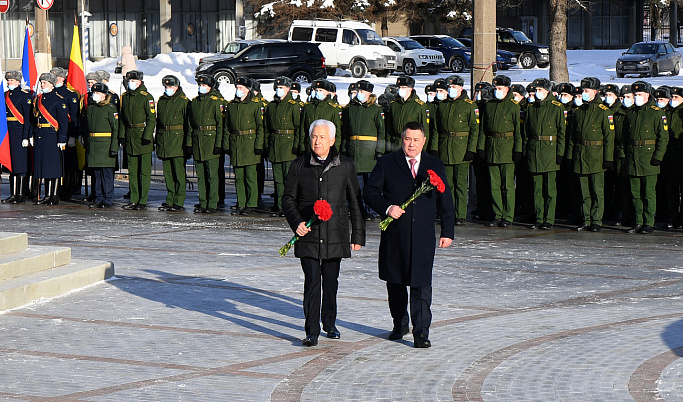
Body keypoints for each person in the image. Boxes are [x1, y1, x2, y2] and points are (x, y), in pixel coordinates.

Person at [363, 121, 454, 349]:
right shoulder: (387, 163)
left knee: (421, 284)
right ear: (401, 139)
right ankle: (399, 323)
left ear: (423, 141)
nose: (411, 145)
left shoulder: (435, 164)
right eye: (407, 139)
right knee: (395, 282)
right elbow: (370, 192)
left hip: (423, 237)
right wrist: (387, 207)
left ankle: (421, 332)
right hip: (396, 236)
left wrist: (447, 231)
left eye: (416, 140)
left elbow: (446, 200)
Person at [281, 119, 365, 347]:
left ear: (332, 140)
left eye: (321, 137)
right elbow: (288, 199)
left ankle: (329, 322)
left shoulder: (344, 165)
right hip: (308, 233)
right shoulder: (299, 165)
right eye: (313, 137)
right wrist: (296, 222)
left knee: (330, 281)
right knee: (312, 281)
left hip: (335, 233)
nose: (317, 142)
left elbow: (355, 202)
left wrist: (358, 235)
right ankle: (311, 330)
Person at [565, 77, 615, 231]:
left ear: (595, 92)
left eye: (586, 91)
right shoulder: (579, 111)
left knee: (597, 191)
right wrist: (569, 156)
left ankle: (596, 220)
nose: (584, 94)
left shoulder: (604, 111)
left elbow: (609, 137)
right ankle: (586, 219)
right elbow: (572, 137)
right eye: (583, 91)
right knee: (584, 190)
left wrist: (608, 158)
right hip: (581, 154)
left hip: (596, 155)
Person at [623, 81, 668, 234]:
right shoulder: (630, 112)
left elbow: (663, 138)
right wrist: (624, 155)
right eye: (635, 95)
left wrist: (658, 157)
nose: (636, 97)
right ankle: (638, 221)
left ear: (647, 95)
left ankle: (649, 222)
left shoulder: (656, 112)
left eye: (639, 95)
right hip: (633, 156)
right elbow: (624, 137)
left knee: (648, 193)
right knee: (635, 193)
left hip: (648, 157)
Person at [433, 75, 478, 226]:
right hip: (445, 148)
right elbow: (436, 129)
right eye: (449, 87)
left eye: (453, 87)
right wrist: (435, 148)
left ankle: (460, 215)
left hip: (461, 148)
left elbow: (474, 130)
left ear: (460, 88)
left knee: (460, 185)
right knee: (446, 185)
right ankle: (448, 213)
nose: (450, 90)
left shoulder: (469, 106)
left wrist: (471, 149)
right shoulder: (442, 105)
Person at [477, 75, 522, 228]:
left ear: (507, 89)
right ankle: (497, 214)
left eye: (499, 89)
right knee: (494, 184)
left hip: (507, 149)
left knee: (508, 185)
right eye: (495, 88)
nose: (496, 91)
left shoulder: (513, 107)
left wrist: (517, 150)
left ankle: (508, 215)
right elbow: (483, 130)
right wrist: (481, 147)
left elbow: (518, 132)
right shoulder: (489, 106)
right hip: (492, 148)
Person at [340, 79, 385, 221]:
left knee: (370, 184)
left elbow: (381, 131)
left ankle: (370, 210)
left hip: (370, 153)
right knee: (356, 184)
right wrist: (344, 149)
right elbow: (345, 131)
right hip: (354, 151)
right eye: (357, 91)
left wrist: (380, 150)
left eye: (361, 91)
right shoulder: (350, 109)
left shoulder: (376, 110)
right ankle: (358, 209)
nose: (358, 94)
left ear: (369, 93)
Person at [524, 78, 566, 229]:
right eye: (536, 90)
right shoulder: (531, 108)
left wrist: (560, 153)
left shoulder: (556, 107)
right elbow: (526, 133)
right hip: (534, 150)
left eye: (540, 90)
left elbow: (562, 132)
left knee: (549, 189)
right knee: (537, 188)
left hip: (550, 151)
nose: (537, 93)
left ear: (547, 91)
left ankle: (549, 218)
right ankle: (539, 217)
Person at [224, 77, 264, 216]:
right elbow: (227, 127)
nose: (238, 90)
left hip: (250, 143)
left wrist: (259, 145)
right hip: (236, 143)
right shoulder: (232, 105)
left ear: (248, 90)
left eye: (241, 88)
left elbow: (260, 127)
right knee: (239, 176)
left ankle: (251, 204)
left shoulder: (255, 105)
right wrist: (226, 144)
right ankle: (241, 202)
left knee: (250, 176)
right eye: (237, 88)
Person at [264, 76, 302, 217]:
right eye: (277, 87)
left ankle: (290, 207)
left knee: (289, 180)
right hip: (275, 145)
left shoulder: (293, 105)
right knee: (278, 179)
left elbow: (298, 128)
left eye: (282, 88)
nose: (279, 90)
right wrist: (267, 146)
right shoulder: (271, 106)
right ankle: (279, 205)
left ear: (288, 89)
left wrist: (297, 145)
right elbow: (267, 128)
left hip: (288, 145)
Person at [118, 70, 156, 211]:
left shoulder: (146, 97)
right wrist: (122, 135)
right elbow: (122, 119)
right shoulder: (126, 97)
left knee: (144, 172)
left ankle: (142, 200)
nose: (131, 83)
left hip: (142, 136)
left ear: (140, 82)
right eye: (129, 81)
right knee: (132, 171)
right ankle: (134, 199)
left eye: (134, 81)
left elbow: (151, 119)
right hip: (130, 136)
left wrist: (147, 135)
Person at [186, 74, 224, 214]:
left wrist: (219, 144)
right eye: (200, 85)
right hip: (198, 141)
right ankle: (203, 201)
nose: (201, 88)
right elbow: (191, 125)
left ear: (210, 87)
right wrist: (189, 143)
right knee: (201, 175)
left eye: (204, 86)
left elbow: (220, 125)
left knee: (212, 176)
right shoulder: (195, 102)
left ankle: (212, 203)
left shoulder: (215, 102)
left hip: (211, 140)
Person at [33, 72, 69, 205]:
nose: (42, 85)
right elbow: (34, 118)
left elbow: (63, 121)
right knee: (43, 166)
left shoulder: (59, 99)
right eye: (41, 82)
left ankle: (53, 195)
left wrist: (62, 138)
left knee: (53, 167)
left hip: (52, 135)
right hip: (40, 134)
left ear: (52, 85)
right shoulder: (39, 99)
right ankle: (46, 195)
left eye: (45, 83)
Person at [156, 75, 190, 212]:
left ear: (176, 87)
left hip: (178, 140)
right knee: (168, 173)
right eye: (166, 87)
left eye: (170, 87)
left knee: (179, 173)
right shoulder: (162, 100)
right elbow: (159, 123)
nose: (168, 89)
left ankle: (179, 200)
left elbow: (188, 125)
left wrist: (188, 144)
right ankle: (170, 198)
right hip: (165, 140)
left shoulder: (184, 101)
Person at [84, 83, 119, 208]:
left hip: (105, 145)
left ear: (104, 95)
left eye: (98, 93)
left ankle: (108, 199)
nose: (95, 95)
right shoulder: (92, 108)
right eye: (94, 93)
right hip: (93, 145)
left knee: (107, 175)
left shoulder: (110, 108)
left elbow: (115, 129)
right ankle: (98, 198)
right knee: (97, 174)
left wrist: (114, 147)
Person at [2, 70, 32, 204]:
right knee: (11, 164)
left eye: (12, 80)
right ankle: (13, 193)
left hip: (19, 133)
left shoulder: (25, 96)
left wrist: (26, 135)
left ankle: (21, 193)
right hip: (8, 134)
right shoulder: (4, 95)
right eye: (8, 80)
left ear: (18, 82)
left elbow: (28, 119)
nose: (9, 82)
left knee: (20, 165)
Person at [51, 67, 81, 201]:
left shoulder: (70, 94)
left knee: (67, 164)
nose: (53, 80)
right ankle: (54, 189)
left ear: (62, 79)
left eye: (56, 77)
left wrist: (73, 136)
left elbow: (74, 117)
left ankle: (67, 190)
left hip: (67, 132)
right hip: (52, 133)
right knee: (55, 162)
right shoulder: (50, 93)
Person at [386, 75, 430, 153]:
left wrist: (422, 150)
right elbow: (389, 128)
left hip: (412, 145)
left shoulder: (419, 106)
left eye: (403, 87)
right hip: (396, 144)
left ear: (410, 88)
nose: (400, 90)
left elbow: (425, 130)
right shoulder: (394, 105)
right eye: (399, 88)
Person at [299, 79, 342, 154]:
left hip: (326, 148)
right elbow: (303, 129)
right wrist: (302, 147)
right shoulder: (308, 107)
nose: (318, 92)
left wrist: (335, 149)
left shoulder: (332, 109)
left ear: (327, 92)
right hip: (310, 147)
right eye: (316, 90)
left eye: (321, 90)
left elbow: (337, 131)